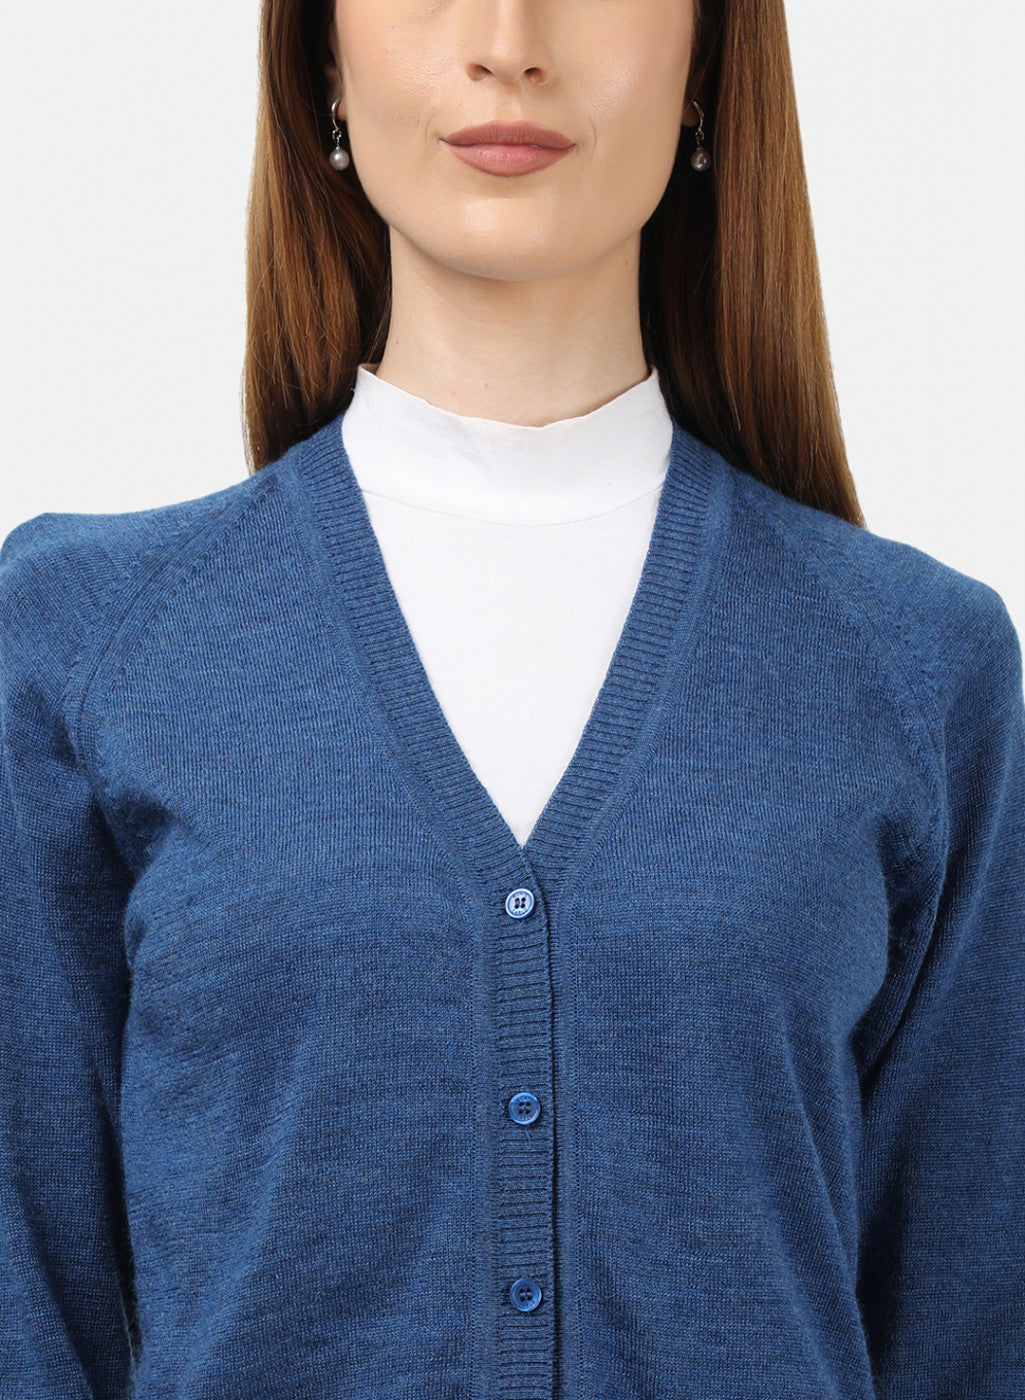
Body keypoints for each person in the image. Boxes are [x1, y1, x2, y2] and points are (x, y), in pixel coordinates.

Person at [2, 0, 1022, 1395]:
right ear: (321, 60)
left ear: (709, 64)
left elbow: (972, 1330)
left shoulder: (916, 667)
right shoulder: (87, 640)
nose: (507, 37)